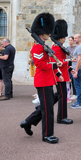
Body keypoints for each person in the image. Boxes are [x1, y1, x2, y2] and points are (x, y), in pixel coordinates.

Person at [20, 12, 64, 144]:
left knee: (47, 106)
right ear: (41, 33)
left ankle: (28, 122)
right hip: (42, 81)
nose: (49, 34)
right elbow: (41, 65)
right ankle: (47, 135)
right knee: (48, 109)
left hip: (48, 80)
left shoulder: (44, 46)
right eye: (47, 32)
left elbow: (50, 60)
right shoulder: (37, 47)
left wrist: (58, 73)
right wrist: (56, 65)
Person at [51, 19, 74, 124]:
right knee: (62, 96)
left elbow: (63, 62)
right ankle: (61, 117)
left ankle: (43, 106)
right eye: (63, 37)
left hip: (64, 74)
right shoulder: (55, 48)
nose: (64, 39)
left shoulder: (60, 47)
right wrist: (70, 61)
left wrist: (70, 68)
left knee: (60, 95)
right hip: (59, 75)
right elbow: (58, 62)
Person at [70, 34, 81, 109]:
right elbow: (78, 59)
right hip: (78, 68)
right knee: (80, 85)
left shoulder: (79, 47)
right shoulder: (79, 47)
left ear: (80, 38)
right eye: (74, 38)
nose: (75, 40)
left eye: (76, 38)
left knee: (78, 86)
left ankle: (79, 102)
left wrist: (76, 71)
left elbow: (80, 59)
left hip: (78, 69)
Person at [67, 36, 76, 101]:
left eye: (71, 40)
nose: (70, 41)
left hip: (74, 65)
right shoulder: (67, 48)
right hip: (68, 65)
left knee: (74, 80)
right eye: (69, 40)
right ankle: (68, 93)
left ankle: (75, 93)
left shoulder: (76, 48)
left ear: (73, 41)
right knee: (68, 79)